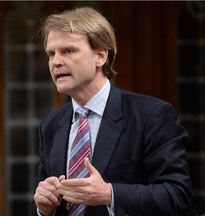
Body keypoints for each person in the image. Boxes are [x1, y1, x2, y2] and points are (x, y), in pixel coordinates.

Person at [32, 6, 192, 216]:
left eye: (68, 51)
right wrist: (43, 208)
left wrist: (110, 194)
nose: (56, 62)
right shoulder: (51, 125)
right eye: (51, 54)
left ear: (100, 56)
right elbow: (44, 200)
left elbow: (177, 196)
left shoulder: (152, 115)